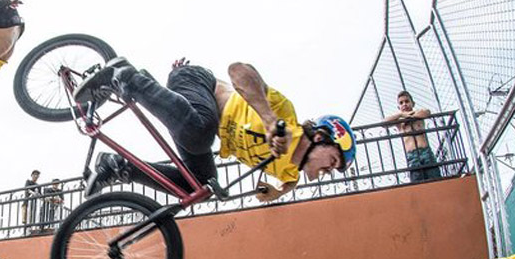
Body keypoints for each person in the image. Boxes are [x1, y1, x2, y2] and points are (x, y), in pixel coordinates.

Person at [79, 58, 357, 201]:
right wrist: (270, 119)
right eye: (333, 160)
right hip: (198, 83)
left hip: (195, 120)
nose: (329, 170)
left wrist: (278, 193)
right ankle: (125, 77)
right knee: (201, 133)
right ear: (320, 137)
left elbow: (291, 181)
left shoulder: (289, 169)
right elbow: (238, 70)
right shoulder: (286, 115)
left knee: (200, 187)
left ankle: (118, 167)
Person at [384, 90, 442, 182]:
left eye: (407, 101)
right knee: (417, 181)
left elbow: (427, 112)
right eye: (401, 103)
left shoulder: (418, 115)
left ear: (412, 103)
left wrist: (410, 116)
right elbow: (384, 123)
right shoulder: (399, 121)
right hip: (412, 155)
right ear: (398, 106)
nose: (404, 104)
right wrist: (401, 114)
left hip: (425, 151)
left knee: (435, 178)